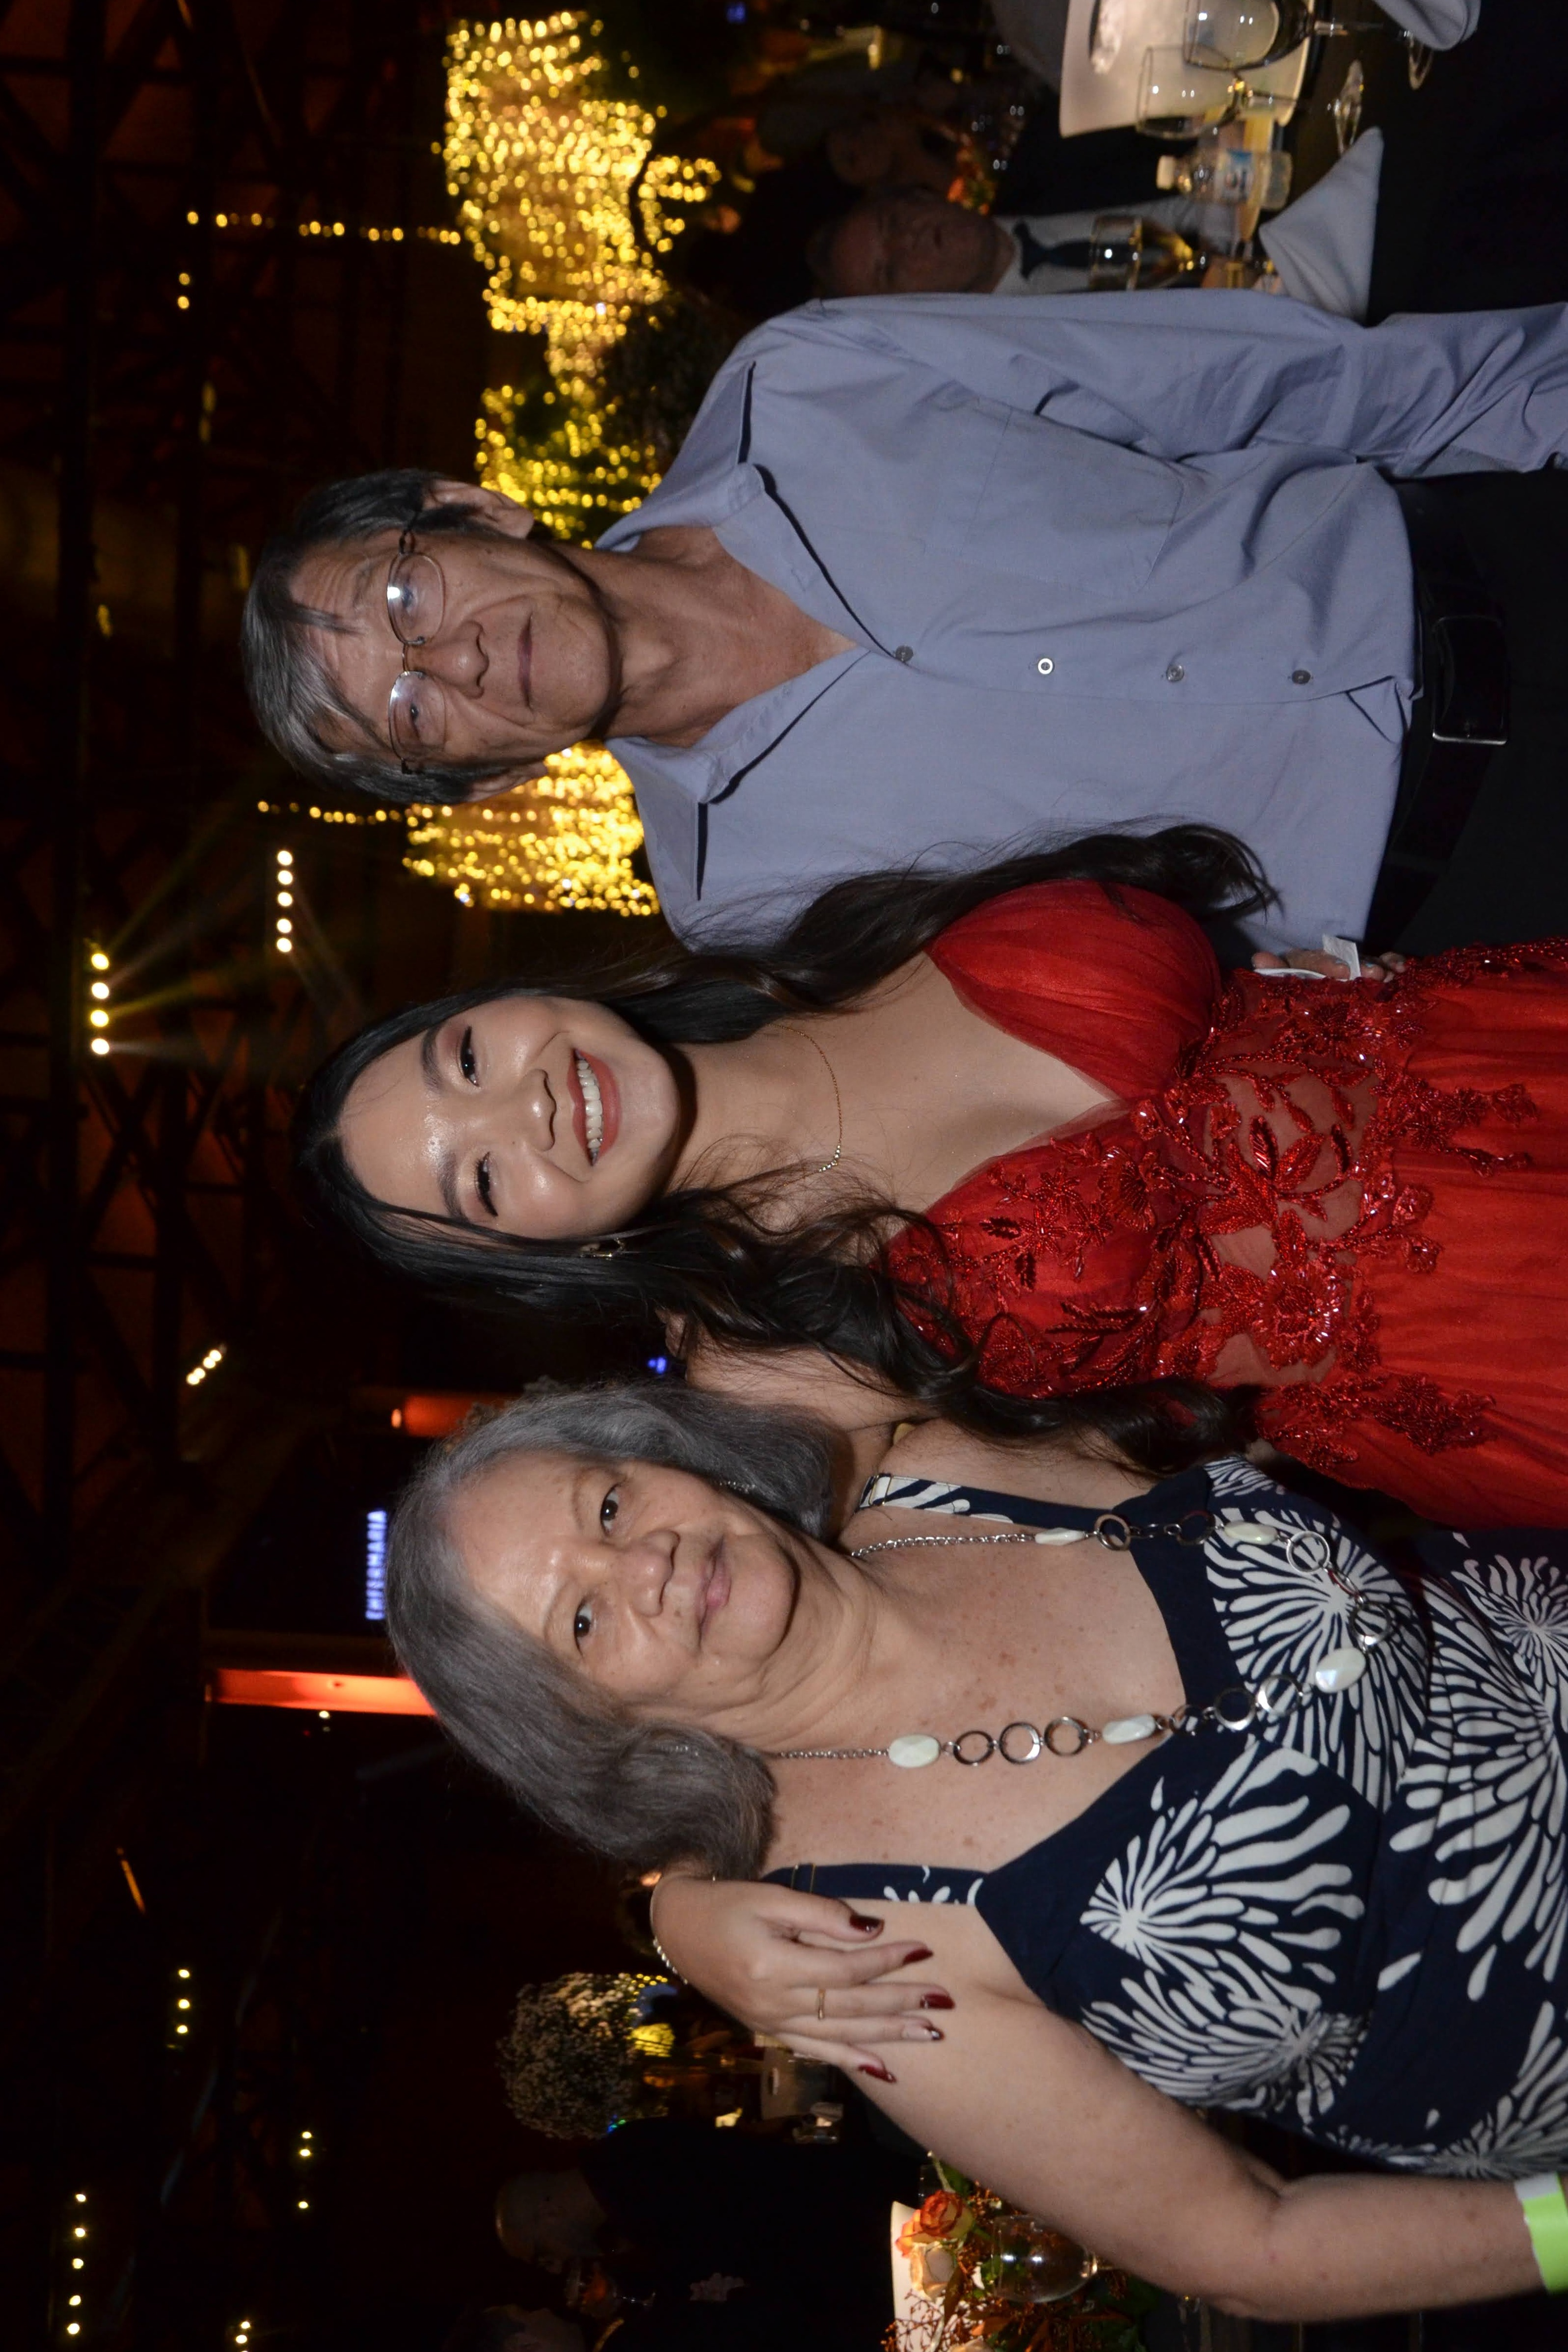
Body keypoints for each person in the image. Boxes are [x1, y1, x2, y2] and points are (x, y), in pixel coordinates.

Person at [382, 1379, 1568, 2323]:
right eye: (582, 1620)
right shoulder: (853, 1943)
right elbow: (1239, 2243)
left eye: (606, 1506)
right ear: (589, 1728)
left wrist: (677, 1910)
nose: (644, 1565)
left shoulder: (946, 1459)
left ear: (665, 1455)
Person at [296, 830, 1568, 1525]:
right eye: (479, 1179)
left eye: (467, 1057)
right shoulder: (768, 1356)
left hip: (1517, 1039)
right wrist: (702, 1894)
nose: (521, 1108)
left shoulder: (834, 930)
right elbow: (842, 1622)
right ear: (534, 1258)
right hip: (1502, 1344)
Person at [241, 297, 1568, 958]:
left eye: (406, 599)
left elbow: (1265, 376)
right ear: (485, 778)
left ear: (474, 509)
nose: (456, 660)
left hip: (1505, 562)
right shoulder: (746, 909)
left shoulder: (807, 382)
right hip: (1486, 898)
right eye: (411, 712)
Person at [494, 2118, 915, 2350]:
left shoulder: (638, 2194)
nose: (556, 2266)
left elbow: (752, 2255)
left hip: (860, 2239)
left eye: (543, 2253)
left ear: (547, 2212)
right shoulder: (626, 2151)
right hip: (853, 2197)